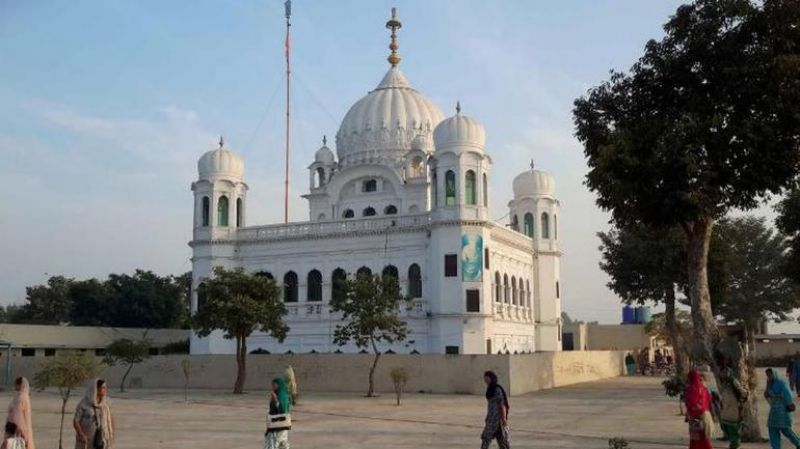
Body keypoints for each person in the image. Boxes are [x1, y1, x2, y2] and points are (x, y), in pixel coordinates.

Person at [765, 368, 800, 449]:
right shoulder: (769, 384)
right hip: (773, 411)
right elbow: (767, 395)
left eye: (770, 374)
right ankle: (776, 447)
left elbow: (787, 394)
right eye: (767, 375)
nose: (769, 376)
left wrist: (789, 404)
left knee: (786, 429)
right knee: (772, 429)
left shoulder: (781, 383)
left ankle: (798, 443)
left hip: (783, 411)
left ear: (774, 374)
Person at [73, 379, 113, 449]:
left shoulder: (104, 405)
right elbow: (76, 421)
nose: (105, 390)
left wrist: (110, 436)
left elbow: (109, 421)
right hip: (86, 440)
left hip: (101, 439)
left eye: (106, 387)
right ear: (96, 389)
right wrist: (81, 434)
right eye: (103, 388)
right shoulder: (84, 404)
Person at [717, 364, 747, 449]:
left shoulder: (733, 382)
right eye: (722, 372)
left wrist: (740, 403)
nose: (723, 374)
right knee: (726, 428)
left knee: (733, 430)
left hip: (733, 409)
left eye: (725, 372)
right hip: (725, 410)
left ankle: (735, 446)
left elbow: (743, 393)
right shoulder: (723, 383)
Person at [480, 370, 510, 449]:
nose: (485, 380)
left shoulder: (497, 389)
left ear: (491, 378)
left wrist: (503, 419)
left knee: (487, 437)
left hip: (497, 419)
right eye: (485, 378)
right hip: (491, 418)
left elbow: (502, 404)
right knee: (500, 438)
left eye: (487, 378)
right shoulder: (489, 389)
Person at [685, 370, 713, 449]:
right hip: (705, 415)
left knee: (696, 439)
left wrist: (690, 412)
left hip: (695, 417)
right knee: (703, 437)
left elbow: (691, 402)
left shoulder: (692, 388)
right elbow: (709, 399)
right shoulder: (703, 388)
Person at [6, 377, 34, 449]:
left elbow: (18, 416)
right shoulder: (22, 396)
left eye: (16, 384)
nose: (14, 386)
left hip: (16, 430)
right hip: (16, 428)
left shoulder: (21, 398)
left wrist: (21, 431)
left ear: (20, 385)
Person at [264, 377, 291, 449]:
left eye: (274, 385)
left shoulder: (282, 395)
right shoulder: (280, 394)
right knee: (283, 444)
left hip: (277, 425)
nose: (272, 386)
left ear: (279, 385)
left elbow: (282, 410)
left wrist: (276, 400)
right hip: (282, 425)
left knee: (273, 444)